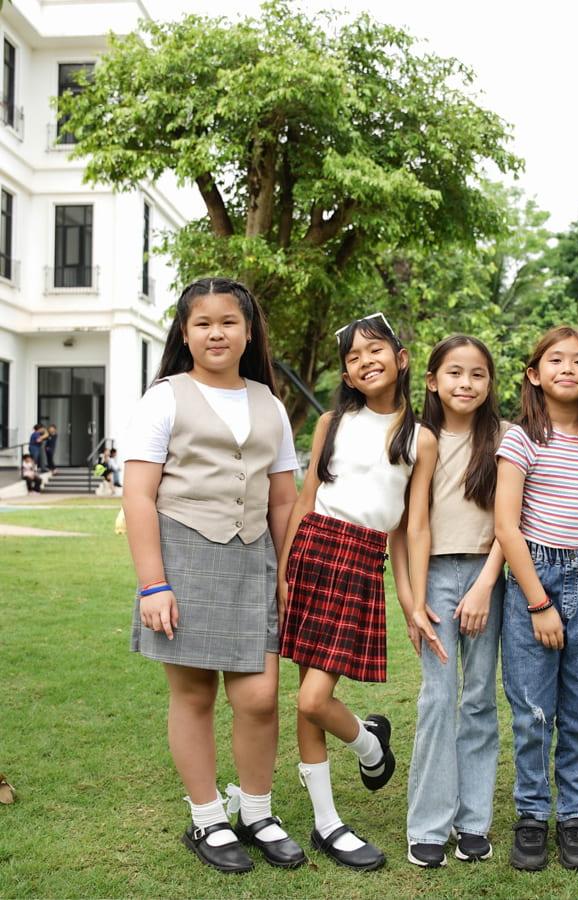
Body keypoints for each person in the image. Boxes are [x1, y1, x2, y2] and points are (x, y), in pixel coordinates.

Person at [122, 277, 305, 875]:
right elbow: (140, 497)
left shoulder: (269, 404)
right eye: (203, 323)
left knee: (259, 697)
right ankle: (207, 818)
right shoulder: (165, 398)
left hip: (254, 558)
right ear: (185, 332)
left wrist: (286, 570)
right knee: (195, 694)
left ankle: (256, 811)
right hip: (184, 556)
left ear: (249, 333)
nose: (217, 332)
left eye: (229, 322)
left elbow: (283, 501)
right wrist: (154, 583)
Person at [278, 312, 438, 872]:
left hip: (361, 561)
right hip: (314, 550)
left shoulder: (420, 438)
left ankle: (370, 743)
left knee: (313, 700)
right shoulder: (330, 423)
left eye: (376, 351)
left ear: (402, 358)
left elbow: (412, 525)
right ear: (346, 373)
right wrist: (284, 569)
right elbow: (305, 501)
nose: (365, 361)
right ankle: (327, 824)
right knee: (306, 697)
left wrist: (411, 596)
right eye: (353, 357)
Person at [494, 326, 578, 872]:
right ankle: (532, 816)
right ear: (533, 374)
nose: (567, 369)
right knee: (532, 712)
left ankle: (574, 817)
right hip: (533, 579)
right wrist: (539, 603)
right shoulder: (520, 439)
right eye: (555, 360)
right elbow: (506, 524)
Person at [405, 335, 508, 869]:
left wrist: (486, 584)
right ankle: (427, 824)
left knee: (479, 700)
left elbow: (514, 524)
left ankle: (473, 822)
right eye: (454, 373)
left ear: (490, 383)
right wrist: (415, 597)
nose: (465, 384)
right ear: (432, 381)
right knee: (438, 698)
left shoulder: (506, 438)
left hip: (489, 576)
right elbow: (410, 524)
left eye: (477, 375)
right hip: (437, 576)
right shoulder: (418, 438)